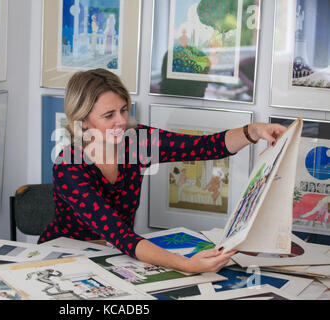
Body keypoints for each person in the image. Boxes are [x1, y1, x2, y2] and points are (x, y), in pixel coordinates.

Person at [38, 68, 287, 274]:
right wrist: (187, 265)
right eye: (108, 115)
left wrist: (252, 132)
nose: (121, 121)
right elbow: (120, 234)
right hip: (65, 258)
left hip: (116, 255)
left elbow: (204, 147)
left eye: (124, 109)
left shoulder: (136, 141)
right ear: (83, 121)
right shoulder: (69, 167)